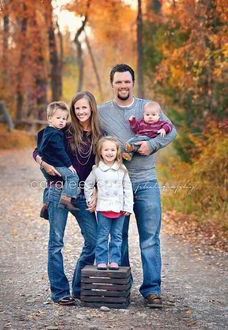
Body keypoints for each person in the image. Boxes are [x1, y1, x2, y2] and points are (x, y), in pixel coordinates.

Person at [98, 64, 177, 308]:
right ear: (112, 84)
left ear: (133, 83)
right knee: (118, 238)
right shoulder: (102, 113)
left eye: (127, 82)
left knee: (149, 239)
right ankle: (121, 287)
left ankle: (152, 290)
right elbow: (92, 141)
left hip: (146, 182)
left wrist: (151, 146)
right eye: (118, 82)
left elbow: (171, 131)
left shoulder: (148, 107)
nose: (123, 86)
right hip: (116, 185)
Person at [33, 91, 102, 305]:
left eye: (85, 107)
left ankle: (79, 287)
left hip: (82, 193)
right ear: (73, 110)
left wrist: (97, 191)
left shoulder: (100, 134)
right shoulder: (65, 129)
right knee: (56, 243)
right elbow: (38, 149)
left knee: (94, 240)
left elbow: (104, 164)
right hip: (58, 190)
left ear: (91, 108)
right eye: (77, 108)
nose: (81, 111)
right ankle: (60, 292)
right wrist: (43, 163)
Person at [84, 136, 133, 270]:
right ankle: (101, 260)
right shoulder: (97, 169)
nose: (109, 152)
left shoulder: (122, 169)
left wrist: (128, 207)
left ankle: (114, 261)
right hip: (103, 209)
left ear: (117, 152)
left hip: (119, 209)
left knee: (117, 236)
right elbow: (87, 185)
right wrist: (90, 200)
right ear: (100, 152)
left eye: (113, 150)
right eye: (106, 150)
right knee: (102, 236)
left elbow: (128, 189)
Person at [37, 101, 79, 212]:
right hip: (55, 164)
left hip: (45, 163)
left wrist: (42, 160)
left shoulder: (45, 132)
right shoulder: (56, 134)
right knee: (73, 177)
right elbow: (60, 151)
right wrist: (69, 165)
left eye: (64, 119)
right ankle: (66, 200)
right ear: (49, 118)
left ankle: (46, 204)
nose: (62, 121)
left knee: (50, 182)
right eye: (58, 118)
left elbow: (39, 145)